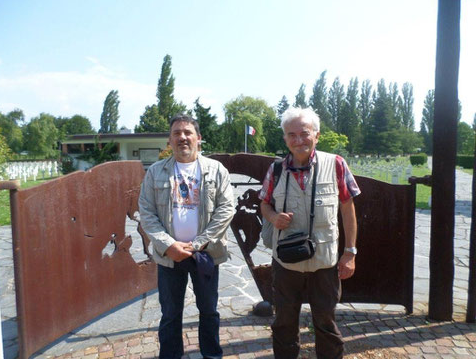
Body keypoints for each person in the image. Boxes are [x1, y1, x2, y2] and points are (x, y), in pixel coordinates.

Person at [259, 107, 360, 359]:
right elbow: (264, 203)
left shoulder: (335, 164)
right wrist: (273, 217)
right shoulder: (277, 170)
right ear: (285, 139)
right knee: (284, 322)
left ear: (316, 134)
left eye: (304, 133)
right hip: (286, 262)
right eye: (291, 135)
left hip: (324, 262)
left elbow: (348, 210)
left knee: (325, 321)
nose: (298, 140)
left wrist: (350, 252)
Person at [139, 113, 234, 359]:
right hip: (170, 257)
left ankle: (212, 355)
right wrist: (168, 244)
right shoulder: (155, 172)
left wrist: (197, 243)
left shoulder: (216, 170)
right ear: (169, 141)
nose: (182, 137)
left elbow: (226, 209)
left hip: (205, 254)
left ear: (198, 138)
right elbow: (146, 211)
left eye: (187, 132)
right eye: (176, 133)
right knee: (170, 314)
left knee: (209, 311)